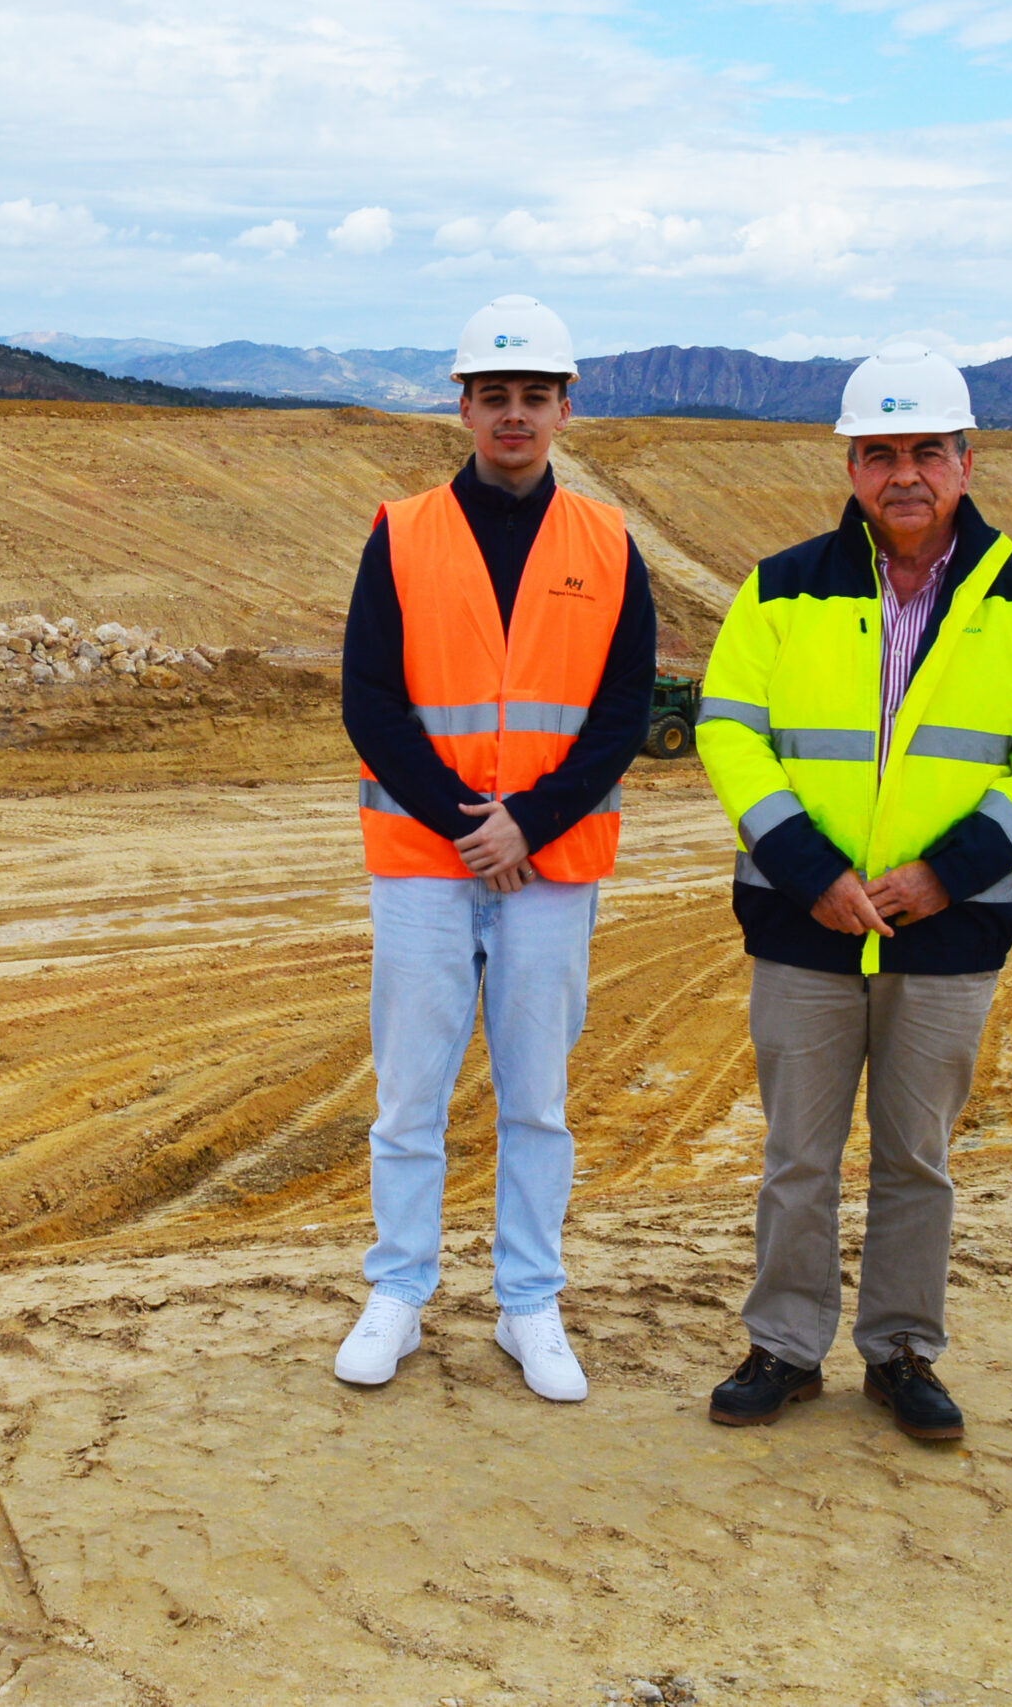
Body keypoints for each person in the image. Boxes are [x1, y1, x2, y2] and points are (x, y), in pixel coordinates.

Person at [692, 343, 1012, 1440]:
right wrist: (809, 871)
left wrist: (948, 873)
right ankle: (783, 1347)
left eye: (927, 450)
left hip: (951, 929)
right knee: (798, 1158)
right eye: (880, 453)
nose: (904, 474)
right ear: (851, 465)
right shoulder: (781, 588)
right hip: (801, 921)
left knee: (917, 1158)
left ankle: (903, 1352)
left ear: (967, 461)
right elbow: (728, 728)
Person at [332, 294, 658, 1401]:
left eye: (534, 397)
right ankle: (398, 1295)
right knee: (410, 1093)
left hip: (550, 870)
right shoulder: (404, 531)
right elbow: (371, 701)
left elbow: (620, 713)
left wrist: (533, 822)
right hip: (430, 861)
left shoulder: (609, 545)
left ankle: (530, 1304)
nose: (513, 415)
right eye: (494, 396)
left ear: (565, 409)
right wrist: (474, 827)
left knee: (536, 1100)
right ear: (462, 406)